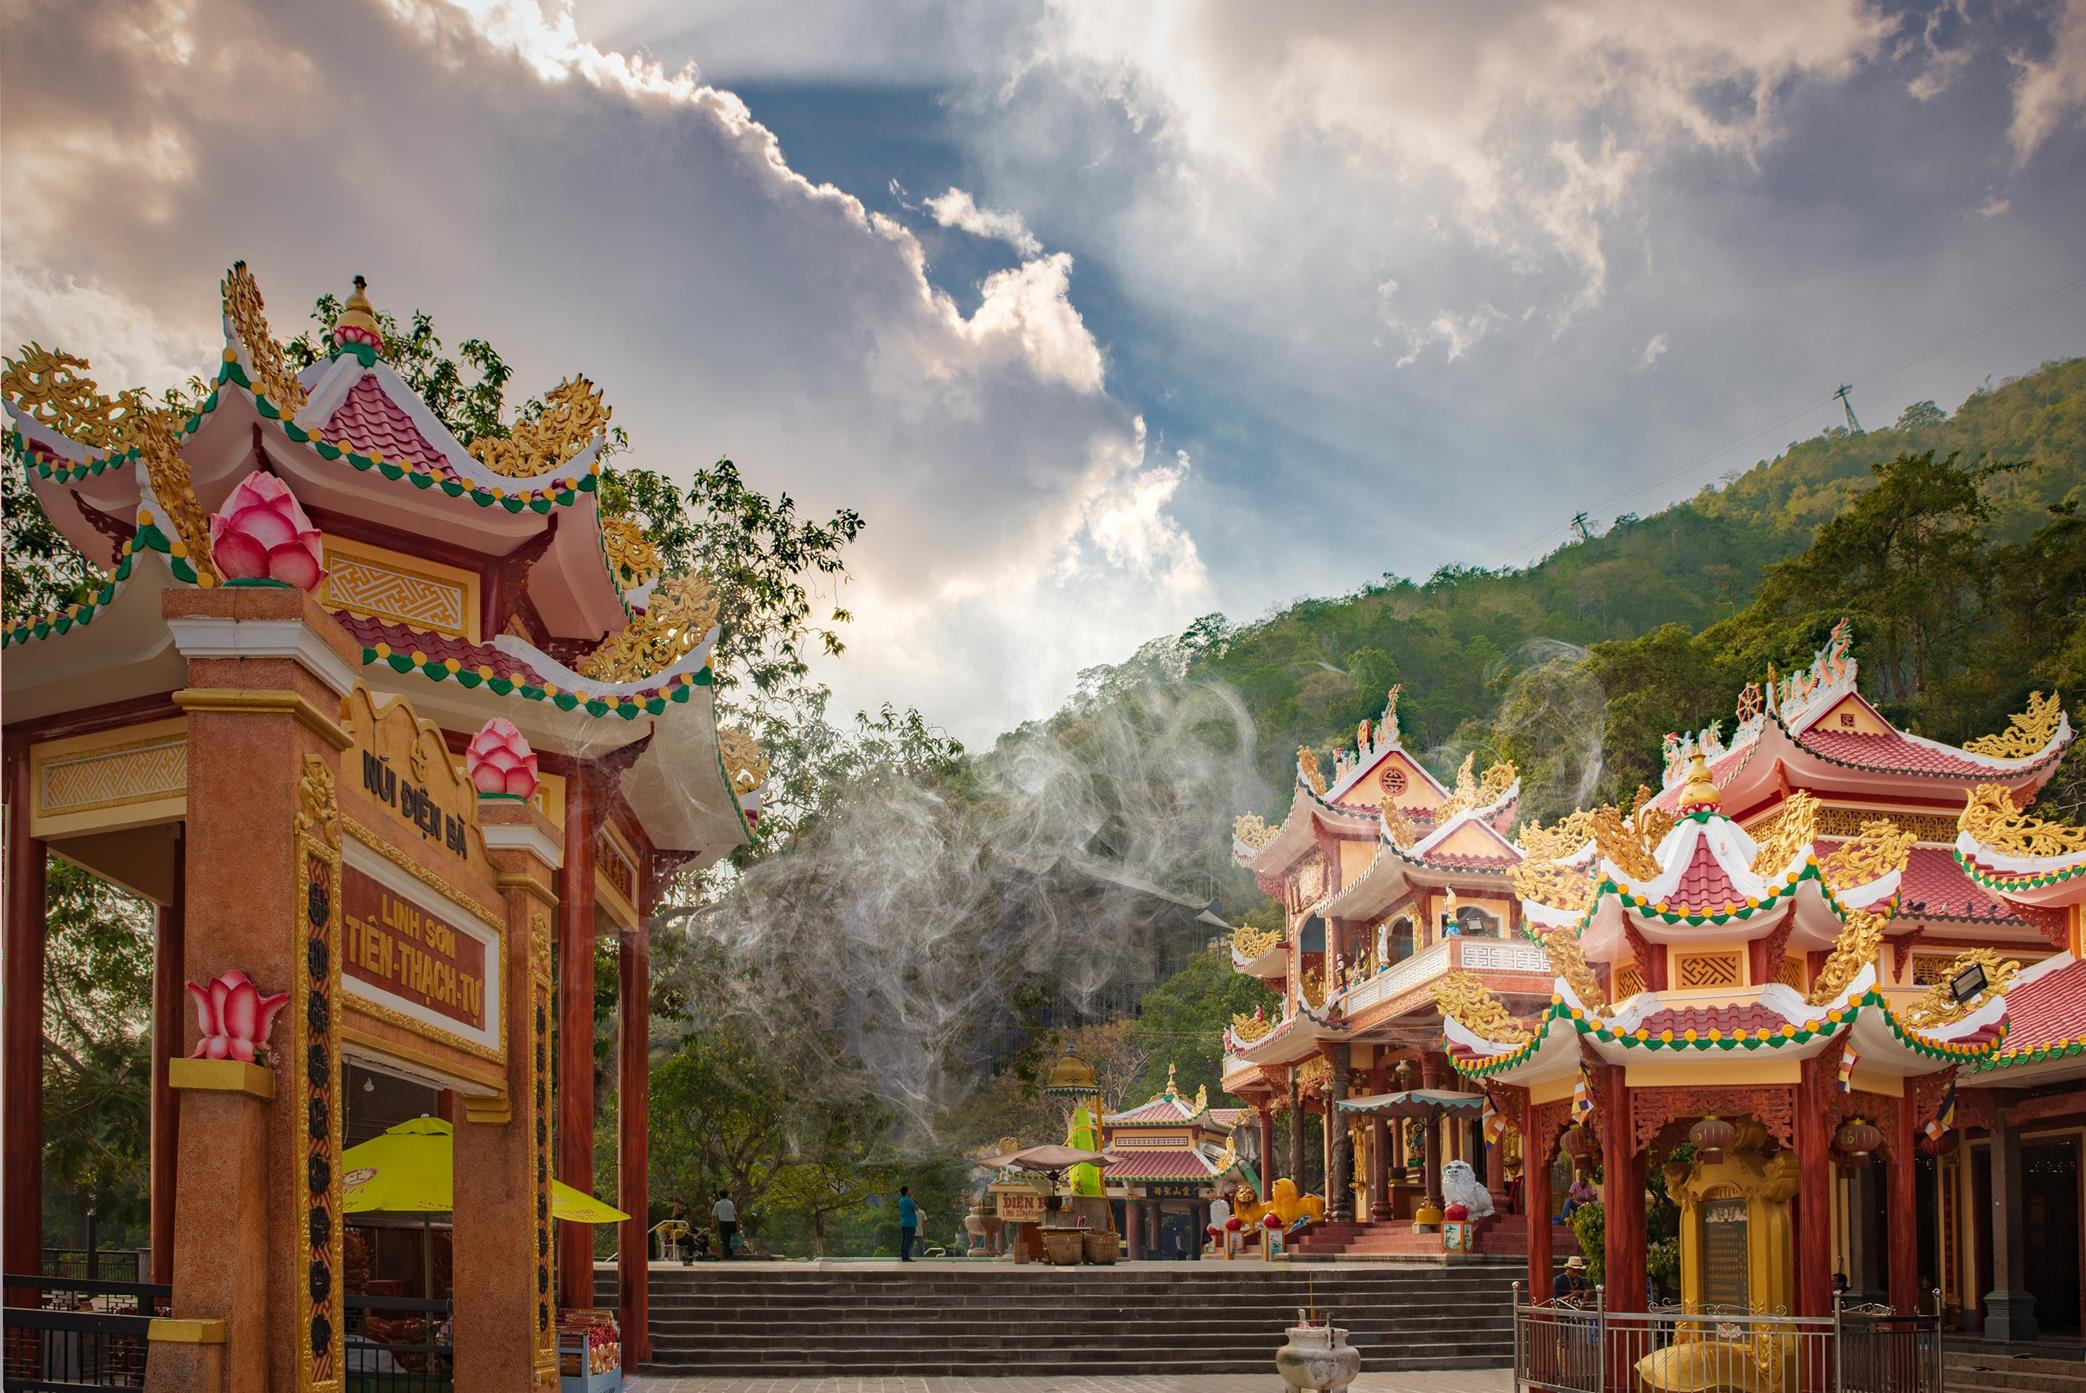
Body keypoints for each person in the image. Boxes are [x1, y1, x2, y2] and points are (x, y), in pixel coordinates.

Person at [712, 1190, 738, 1259]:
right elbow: (735, 1214)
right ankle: (730, 1255)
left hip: (723, 1223)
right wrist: (737, 1226)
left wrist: (713, 1224)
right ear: (727, 1195)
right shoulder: (731, 1203)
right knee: (730, 1240)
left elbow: (713, 1215)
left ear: (720, 1196)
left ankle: (726, 1255)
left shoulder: (717, 1204)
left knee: (725, 1240)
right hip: (732, 1223)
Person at [897, 1186, 919, 1262]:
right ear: (906, 1191)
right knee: (908, 1240)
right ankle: (906, 1257)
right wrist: (913, 1201)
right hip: (910, 1223)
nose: (910, 1191)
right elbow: (916, 1208)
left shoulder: (900, 1200)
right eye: (909, 1190)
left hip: (903, 1222)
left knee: (904, 1240)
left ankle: (903, 1256)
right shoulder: (909, 1200)